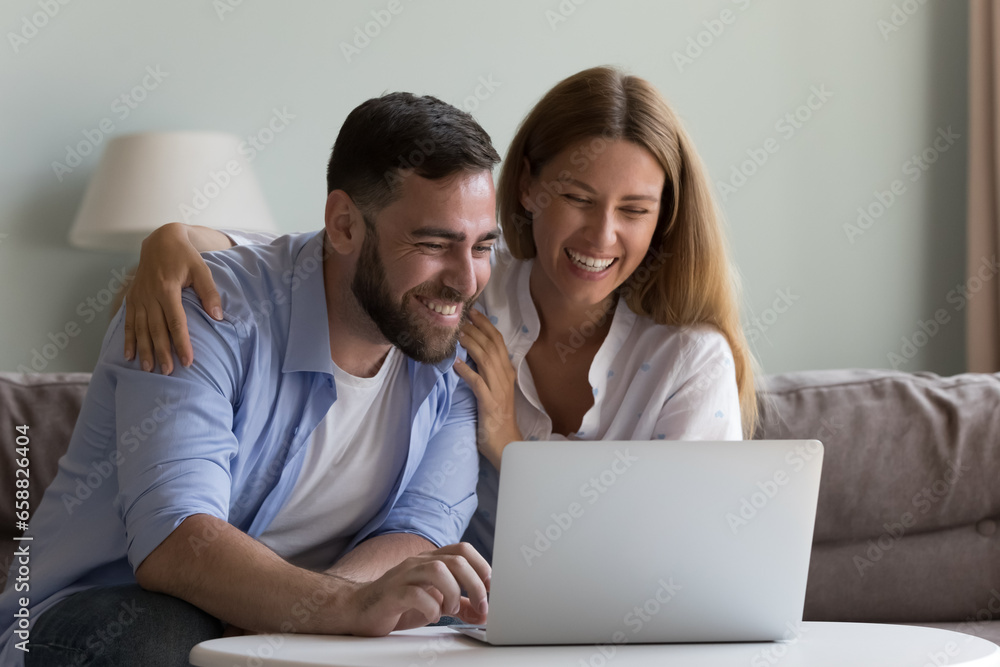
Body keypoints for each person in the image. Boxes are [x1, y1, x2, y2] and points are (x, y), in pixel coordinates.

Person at [119, 66, 758, 564]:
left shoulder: (689, 359)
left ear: (664, 215)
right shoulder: (469, 287)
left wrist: (511, 444)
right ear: (530, 186)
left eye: (635, 210)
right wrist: (180, 237)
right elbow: (343, 253)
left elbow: (681, 556)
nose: (601, 235)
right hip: (456, 623)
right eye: (577, 197)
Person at [0, 92, 502, 667]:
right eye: (434, 244)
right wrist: (340, 610)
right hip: (94, 612)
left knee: (434, 609)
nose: (465, 280)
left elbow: (420, 528)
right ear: (343, 225)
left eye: (483, 246)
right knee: (158, 633)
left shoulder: (452, 348)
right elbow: (175, 539)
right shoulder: (204, 309)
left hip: (292, 614)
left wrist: (325, 615)